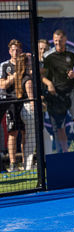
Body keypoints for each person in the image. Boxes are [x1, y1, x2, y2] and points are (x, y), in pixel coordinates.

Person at [42, 29, 74, 153]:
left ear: (65, 40)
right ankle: (65, 153)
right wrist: (49, 84)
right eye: (55, 41)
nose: (58, 43)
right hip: (56, 94)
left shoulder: (72, 56)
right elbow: (42, 76)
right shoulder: (48, 58)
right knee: (60, 127)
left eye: (60, 40)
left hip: (71, 91)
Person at [0, 39, 27, 171]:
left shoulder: (25, 63)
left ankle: (26, 162)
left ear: (20, 51)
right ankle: (13, 163)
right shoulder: (4, 66)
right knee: (13, 132)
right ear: (9, 51)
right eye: (13, 50)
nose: (15, 52)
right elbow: (3, 85)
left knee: (26, 132)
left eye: (18, 50)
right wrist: (15, 76)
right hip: (11, 102)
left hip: (25, 101)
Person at [38, 39, 54, 155]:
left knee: (43, 131)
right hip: (34, 100)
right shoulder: (31, 62)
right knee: (34, 132)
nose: (42, 51)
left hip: (46, 99)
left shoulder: (49, 63)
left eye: (45, 49)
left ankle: (45, 157)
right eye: (41, 48)